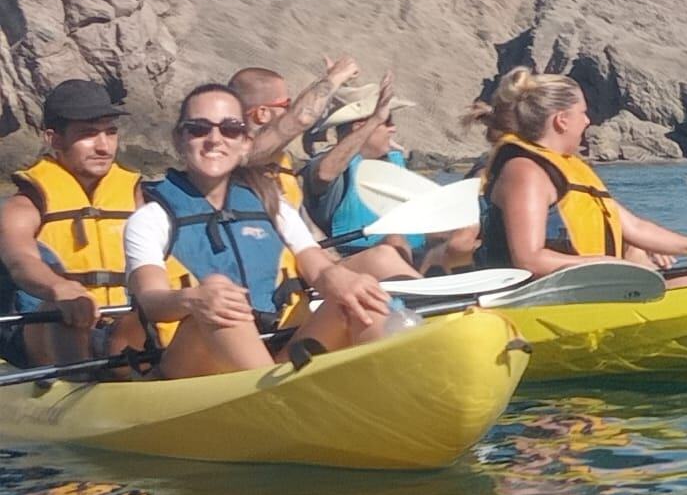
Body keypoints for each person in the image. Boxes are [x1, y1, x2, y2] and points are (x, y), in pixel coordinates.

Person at [124, 84, 394, 379]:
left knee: (357, 293)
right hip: (190, 367)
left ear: (245, 142)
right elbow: (151, 301)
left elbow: (318, 268)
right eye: (199, 128)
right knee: (220, 295)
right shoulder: (151, 218)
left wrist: (342, 278)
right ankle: (279, 402)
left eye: (230, 129)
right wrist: (194, 299)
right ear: (179, 139)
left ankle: (399, 385)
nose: (214, 139)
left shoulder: (271, 203)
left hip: (275, 353)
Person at [476, 68, 687, 281]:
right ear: (562, 120)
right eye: (582, 113)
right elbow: (529, 259)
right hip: (543, 297)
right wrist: (609, 264)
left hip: (594, 286)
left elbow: (635, 228)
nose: (587, 121)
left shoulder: (569, 168)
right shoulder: (525, 170)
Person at [0, 81, 142, 369]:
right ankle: (79, 386)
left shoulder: (136, 196)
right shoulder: (25, 203)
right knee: (66, 309)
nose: (104, 146)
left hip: (117, 322)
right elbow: (21, 259)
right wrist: (59, 288)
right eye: (88, 134)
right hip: (44, 326)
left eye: (110, 133)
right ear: (54, 140)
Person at [300, 74, 423, 280]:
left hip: (412, 255)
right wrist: (374, 120)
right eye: (387, 121)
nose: (393, 128)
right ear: (360, 128)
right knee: (394, 242)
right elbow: (324, 173)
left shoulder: (393, 161)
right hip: (355, 262)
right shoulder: (328, 166)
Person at [233, 57, 359, 212]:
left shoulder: (280, 158)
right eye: (286, 105)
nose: (290, 109)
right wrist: (336, 77)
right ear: (262, 113)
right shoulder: (243, 154)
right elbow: (301, 118)